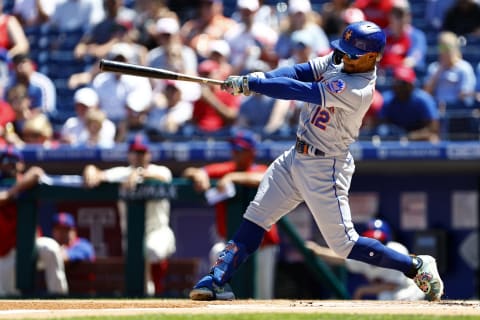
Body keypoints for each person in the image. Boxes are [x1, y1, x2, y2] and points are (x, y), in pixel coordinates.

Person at [188, 21, 444, 302]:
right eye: (343, 51)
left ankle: (415, 266)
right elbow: (300, 71)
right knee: (256, 216)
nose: (344, 57)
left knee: (344, 244)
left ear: (372, 57)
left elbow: (302, 90)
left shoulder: (358, 89)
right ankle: (216, 279)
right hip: (295, 157)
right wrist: (261, 77)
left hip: (327, 166)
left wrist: (257, 84)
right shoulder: (340, 61)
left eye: (352, 54)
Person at [182, 130, 280, 299]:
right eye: (234, 150)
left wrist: (233, 177)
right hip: (232, 243)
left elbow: (262, 178)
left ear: (252, 152)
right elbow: (190, 171)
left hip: (263, 244)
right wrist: (199, 175)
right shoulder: (227, 168)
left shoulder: (259, 168)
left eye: (240, 151)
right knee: (217, 251)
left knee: (263, 295)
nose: (235, 154)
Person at [82, 134, 176, 296]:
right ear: (128, 154)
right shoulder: (122, 173)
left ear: (149, 154)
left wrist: (140, 173)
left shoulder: (159, 170)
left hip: (159, 232)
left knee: (150, 250)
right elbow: (98, 174)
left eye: (142, 152)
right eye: (135, 152)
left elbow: (165, 178)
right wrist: (90, 169)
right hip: (133, 237)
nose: (138, 156)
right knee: (142, 286)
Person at [0, 148, 68, 296]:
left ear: (21, 164)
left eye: (14, 161)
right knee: (9, 296)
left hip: (30, 246)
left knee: (51, 248)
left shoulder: (23, 182)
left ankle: (59, 297)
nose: (9, 165)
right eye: (5, 161)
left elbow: (37, 172)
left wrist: (11, 193)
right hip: (5, 251)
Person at [305, 218, 426, 301]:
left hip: (410, 290)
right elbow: (342, 259)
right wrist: (317, 250)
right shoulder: (365, 254)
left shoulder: (395, 250)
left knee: (385, 296)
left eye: (379, 240)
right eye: (372, 240)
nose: (376, 244)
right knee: (384, 297)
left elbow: (392, 286)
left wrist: (362, 290)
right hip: (392, 294)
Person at [376, 66, 440, 142]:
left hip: (417, 135)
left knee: (433, 139)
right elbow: (381, 124)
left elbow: (433, 128)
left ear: (411, 85)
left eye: (404, 84)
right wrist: (399, 136)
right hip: (395, 136)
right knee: (382, 132)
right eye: (397, 83)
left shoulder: (424, 99)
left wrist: (409, 136)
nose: (400, 87)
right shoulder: (387, 99)